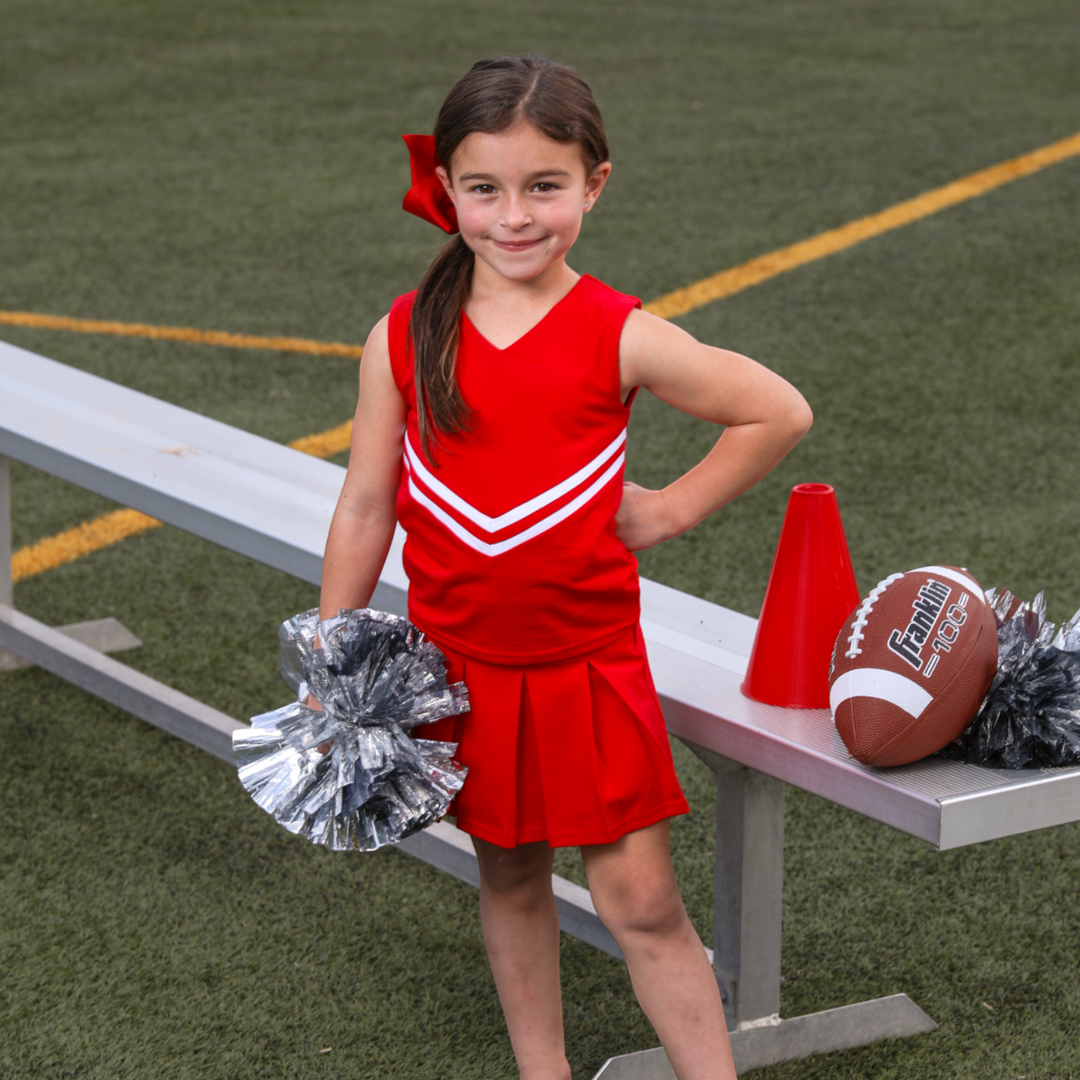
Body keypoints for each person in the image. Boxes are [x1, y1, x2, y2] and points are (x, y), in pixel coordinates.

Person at [319, 55, 811, 1080]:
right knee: (508, 877)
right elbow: (366, 503)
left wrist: (667, 508)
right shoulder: (404, 334)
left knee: (644, 902)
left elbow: (777, 410)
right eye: (485, 188)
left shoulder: (617, 332)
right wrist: (337, 647)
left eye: (544, 186)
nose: (514, 217)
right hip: (462, 668)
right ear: (447, 188)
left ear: (595, 184)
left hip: (586, 668)